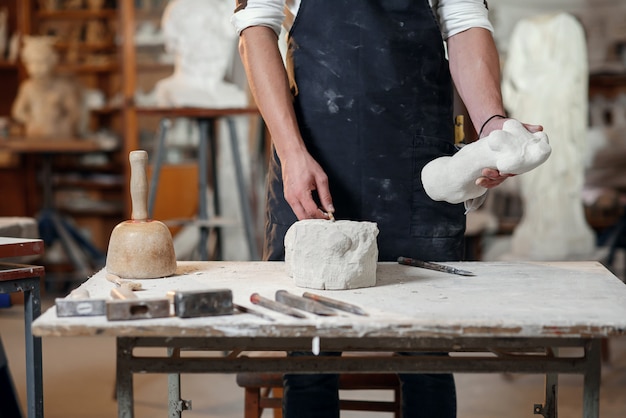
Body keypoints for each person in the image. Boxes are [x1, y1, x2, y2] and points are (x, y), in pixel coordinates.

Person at [231, 1, 542, 417]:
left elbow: (465, 22)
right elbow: (255, 26)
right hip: (315, 157)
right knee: (310, 361)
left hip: (416, 166)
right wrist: (291, 153)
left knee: (426, 358)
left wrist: (491, 128)